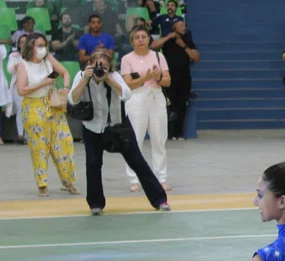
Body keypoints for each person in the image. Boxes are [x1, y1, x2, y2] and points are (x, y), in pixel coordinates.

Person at [67, 48, 169, 214]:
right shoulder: (81, 76)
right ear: (89, 65)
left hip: (118, 126)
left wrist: (108, 79)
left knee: (137, 161)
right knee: (92, 165)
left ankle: (160, 199)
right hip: (92, 127)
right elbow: (73, 99)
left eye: (104, 67)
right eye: (97, 66)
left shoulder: (114, 76)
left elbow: (127, 94)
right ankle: (96, 203)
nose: (100, 70)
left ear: (110, 67)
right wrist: (86, 79)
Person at [12, 33, 78, 197]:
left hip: (52, 105)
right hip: (34, 107)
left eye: (44, 45)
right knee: (40, 148)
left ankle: (68, 181)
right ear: (31, 47)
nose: (42, 49)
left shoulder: (48, 60)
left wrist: (66, 87)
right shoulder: (23, 65)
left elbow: (64, 73)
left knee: (64, 142)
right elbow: (21, 90)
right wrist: (44, 83)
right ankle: (42, 185)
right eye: (39, 46)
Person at [121, 25, 173, 191]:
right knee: (135, 140)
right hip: (136, 99)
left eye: (144, 36)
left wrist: (157, 77)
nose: (141, 40)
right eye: (137, 37)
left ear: (149, 39)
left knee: (159, 139)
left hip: (156, 97)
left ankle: (161, 177)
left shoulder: (159, 56)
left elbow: (167, 81)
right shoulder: (127, 59)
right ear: (132, 41)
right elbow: (128, 84)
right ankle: (134, 179)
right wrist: (146, 77)